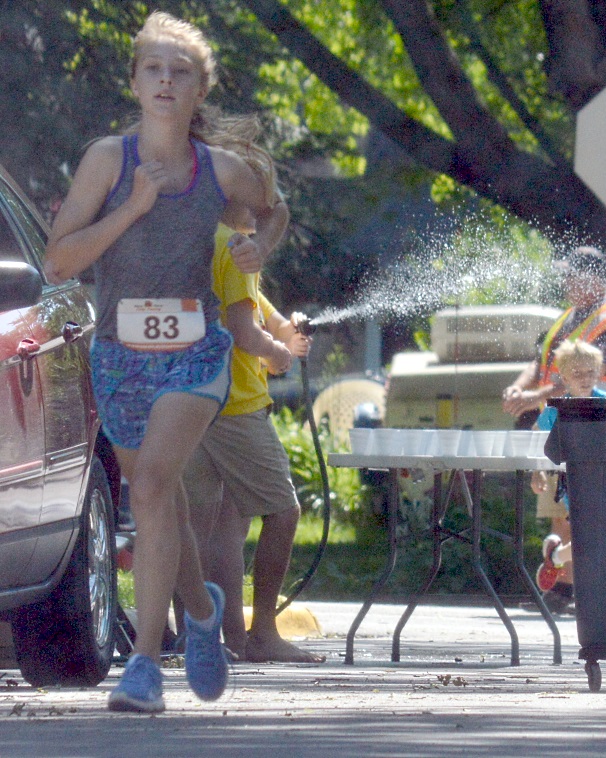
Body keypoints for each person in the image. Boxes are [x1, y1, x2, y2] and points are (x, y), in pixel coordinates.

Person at [44, 12, 286, 713]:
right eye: (153, 69)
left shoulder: (221, 169)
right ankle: (203, 612)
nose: (166, 81)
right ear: (135, 82)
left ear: (197, 88)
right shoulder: (108, 161)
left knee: (149, 486)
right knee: (163, 499)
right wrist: (133, 208)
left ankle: (146, 665)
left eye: (180, 72)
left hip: (195, 356)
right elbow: (60, 261)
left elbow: (272, 209)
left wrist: (258, 246)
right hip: (120, 356)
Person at [182, 222, 325, 664]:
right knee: (283, 511)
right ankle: (263, 632)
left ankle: (218, 640)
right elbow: (245, 333)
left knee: (213, 529)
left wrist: (289, 332)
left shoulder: (201, 237)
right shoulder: (237, 247)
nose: (269, 212)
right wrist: (278, 354)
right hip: (236, 406)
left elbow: (267, 317)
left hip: (189, 401)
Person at [502, 246, 606, 612]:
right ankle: (562, 589)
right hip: (561, 423)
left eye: (572, 275)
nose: (566, 282)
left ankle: (579, 590)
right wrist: (520, 387)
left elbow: (583, 376)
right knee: (561, 511)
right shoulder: (568, 318)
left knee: (588, 513)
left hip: (593, 425)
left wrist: (536, 397)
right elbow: (540, 360)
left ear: (595, 279)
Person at [530, 340, 606, 592]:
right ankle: (569, 569)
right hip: (574, 482)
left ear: (598, 372)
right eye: (577, 373)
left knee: (601, 537)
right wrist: (538, 469)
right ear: (564, 376)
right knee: (591, 537)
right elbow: (535, 437)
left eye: (590, 372)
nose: (584, 378)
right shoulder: (556, 410)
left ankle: (556, 556)